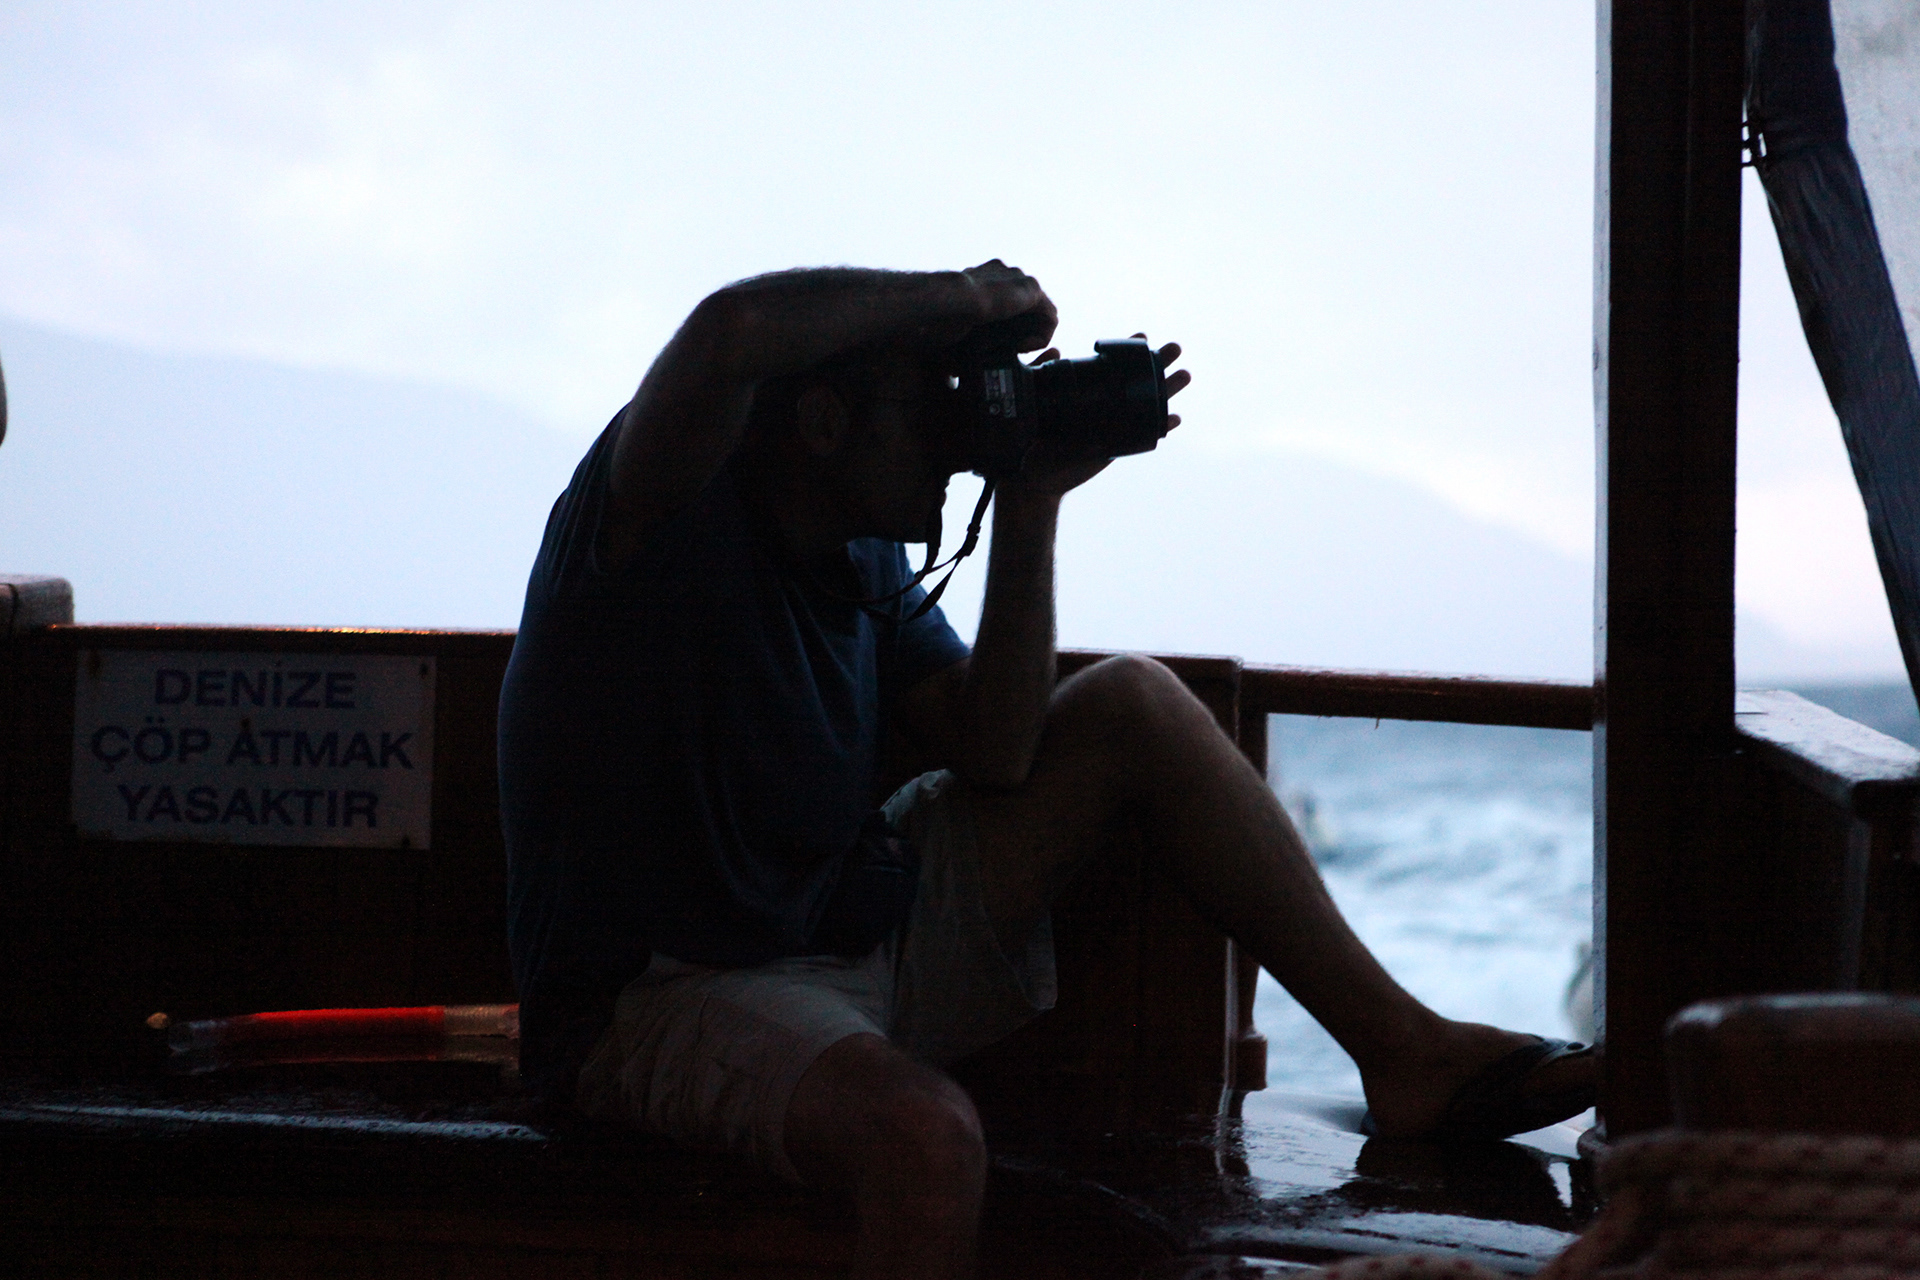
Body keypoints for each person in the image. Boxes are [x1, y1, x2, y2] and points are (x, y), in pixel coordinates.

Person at [498, 262, 1596, 1280]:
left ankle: (1407, 1054)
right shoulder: (665, 505)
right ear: (823, 422)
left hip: (844, 927)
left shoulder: (866, 553)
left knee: (1134, 702)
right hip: (660, 995)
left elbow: (998, 747)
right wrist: (963, 296)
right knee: (925, 1137)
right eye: (931, 411)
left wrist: (1032, 502)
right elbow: (731, 329)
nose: (959, 441)